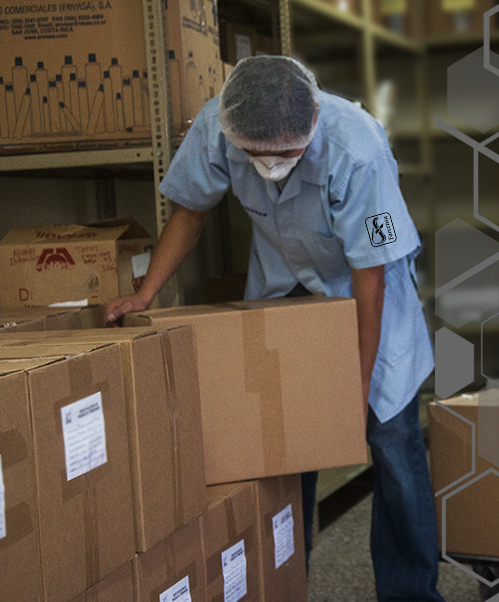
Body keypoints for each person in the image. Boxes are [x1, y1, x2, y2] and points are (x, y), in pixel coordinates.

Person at [104, 55, 443, 602]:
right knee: (282, 446)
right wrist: (145, 294)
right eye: (258, 156)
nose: (273, 166)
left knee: (392, 441)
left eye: (288, 153)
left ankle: (412, 595)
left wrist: (355, 389)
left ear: (311, 124)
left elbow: (371, 272)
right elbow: (190, 210)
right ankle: (284, 585)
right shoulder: (219, 124)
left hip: (366, 293)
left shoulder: (360, 148)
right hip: (284, 291)